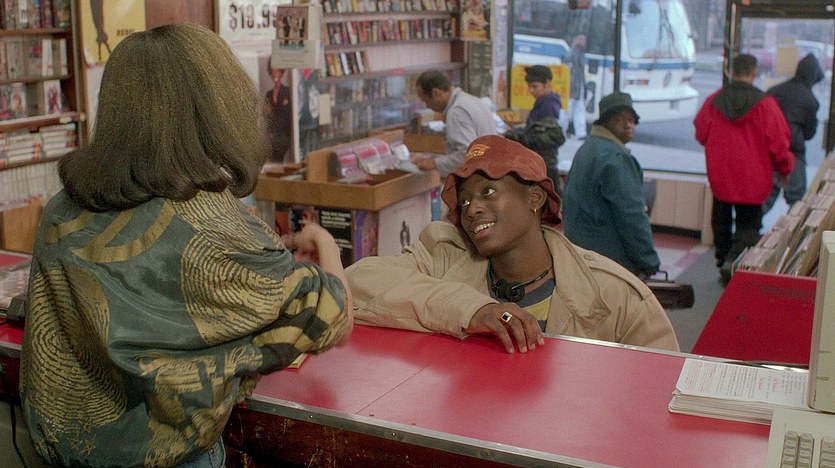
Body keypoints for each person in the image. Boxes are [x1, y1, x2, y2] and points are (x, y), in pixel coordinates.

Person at [19, 24, 353, 468]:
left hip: (65, 456)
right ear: (215, 108)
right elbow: (334, 316)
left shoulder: (62, 209)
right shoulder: (212, 220)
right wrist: (325, 242)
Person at [347, 134, 680, 354]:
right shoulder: (443, 256)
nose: (472, 209)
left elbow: (662, 396)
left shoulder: (617, 297)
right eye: (464, 201)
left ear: (534, 198)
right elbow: (354, 283)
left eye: (488, 191)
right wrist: (472, 309)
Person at [694, 53, 794, 283]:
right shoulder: (766, 104)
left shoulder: (714, 101)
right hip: (754, 178)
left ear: (731, 71)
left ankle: (722, 259)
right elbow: (779, 143)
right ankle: (739, 265)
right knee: (748, 225)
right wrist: (785, 168)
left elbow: (700, 133)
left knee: (721, 221)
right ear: (754, 73)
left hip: (721, 175)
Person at [562, 92, 660, 276]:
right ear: (605, 121)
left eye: (632, 120)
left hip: (579, 254)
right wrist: (649, 261)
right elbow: (631, 216)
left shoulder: (587, 148)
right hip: (610, 261)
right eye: (620, 119)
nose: (628, 125)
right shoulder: (617, 158)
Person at [763, 52, 825, 213]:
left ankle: (750, 229)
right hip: (794, 153)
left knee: (765, 199)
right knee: (796, 203)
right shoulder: (810, 100)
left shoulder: (774, 91)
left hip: (769, 152)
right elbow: (809, 134)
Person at [411, 70, 497, 178]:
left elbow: (467, 155)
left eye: (425, 101)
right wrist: (434, 158)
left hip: (478, 177)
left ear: (436, 93)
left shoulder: (457, 112)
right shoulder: (472, 101)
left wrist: (434, 163)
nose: (427, 106)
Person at [504, 65, 566, 195]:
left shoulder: (548, 105)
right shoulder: (543, 101)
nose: (531, 91)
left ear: (547, 83)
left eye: (535, 87)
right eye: (530, 87)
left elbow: (541, 137)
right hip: (541, 162)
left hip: (544, 164)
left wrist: (512, 135)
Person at [266, 57, 293, 162]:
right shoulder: (269, 94)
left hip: (284, 136)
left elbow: (286, 117)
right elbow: (267, 119)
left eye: (276, 71)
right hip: (272, 136)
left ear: (281, 72)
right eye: (272, 72)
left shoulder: (288, 92)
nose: (274, 75)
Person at [561, 33, 587, 140]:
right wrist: (573, 87)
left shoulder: (580, 53)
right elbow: (570, 69)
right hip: (572, 86)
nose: (583, 42)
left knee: (578, 109)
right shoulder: (573, 52)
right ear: (575, 40)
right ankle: (562, 131)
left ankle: (581, 133)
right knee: (567, 109)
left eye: (584, 39)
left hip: (579, 85)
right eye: (580, 39)